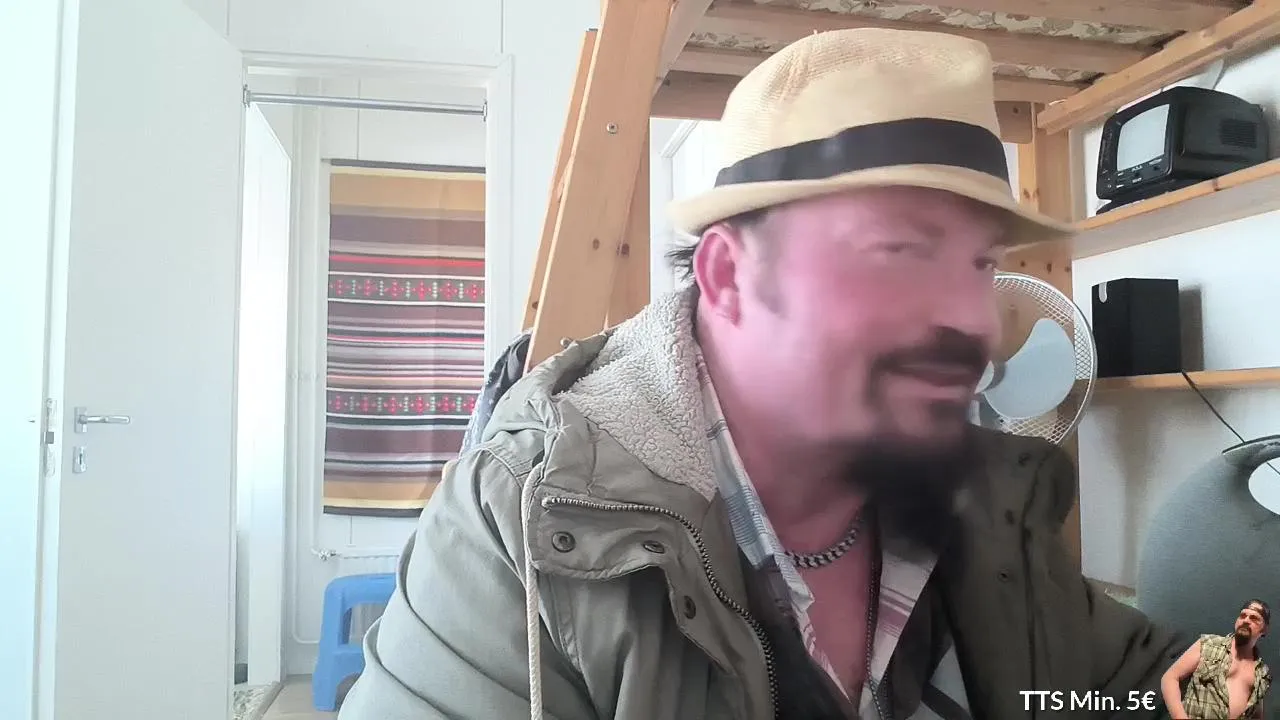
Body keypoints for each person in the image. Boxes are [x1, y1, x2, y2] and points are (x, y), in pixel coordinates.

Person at [338, 27, 1188, 720]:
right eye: (900, 250)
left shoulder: (989, 503)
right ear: (728, 275)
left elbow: (1150, 688)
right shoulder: (526, 529)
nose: (975, 323)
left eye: (980, 264)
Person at [1161, 600, 1272, 719]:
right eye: (1243, 615)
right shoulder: (1209, 644)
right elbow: (1170, 678)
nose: (1246, 620)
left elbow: (1256, 713)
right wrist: (1180, 717)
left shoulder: (1261, 673)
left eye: (1254, 618)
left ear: (1264, 629)